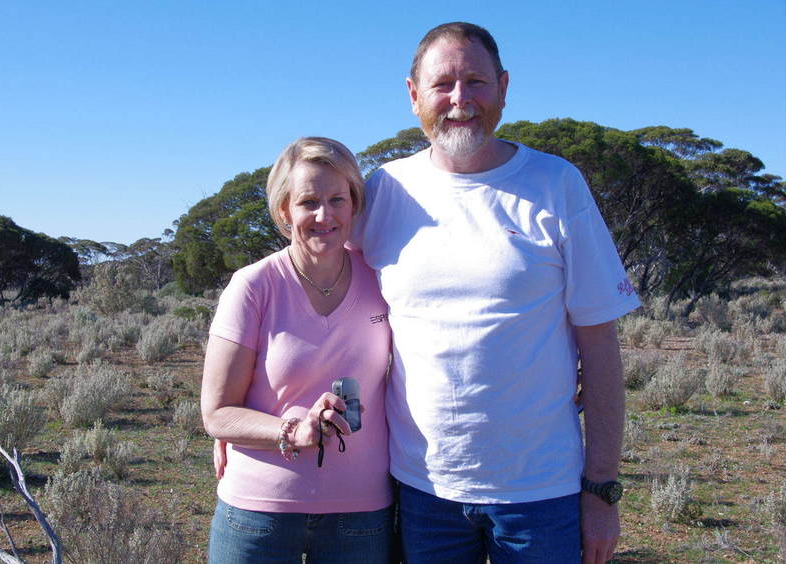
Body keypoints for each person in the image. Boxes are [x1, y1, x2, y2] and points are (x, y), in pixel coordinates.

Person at [351, 22, 640, 564]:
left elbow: (600, 348)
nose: (460, 100)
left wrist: (601, 491)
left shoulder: (556, 184)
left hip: (542, 494)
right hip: (421, 488)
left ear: (504, 88)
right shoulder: (384, 190)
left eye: (476, 82)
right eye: (442, 85)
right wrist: (245, 410)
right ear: (414, 95)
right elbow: (318, 295)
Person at [201, 137, 393, 563]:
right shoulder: (254, 286)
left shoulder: (384, 279)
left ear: (354, 204)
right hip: (258, 517)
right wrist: (293, 430)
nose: (324, 215)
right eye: (308, 202)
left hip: (361, 516)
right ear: (284, 211)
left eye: (337, 199)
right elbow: (217, 413)